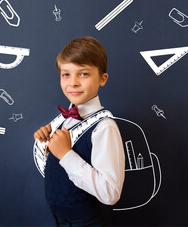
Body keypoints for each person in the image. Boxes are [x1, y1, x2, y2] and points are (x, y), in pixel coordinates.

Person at [33, 36, 125, 226]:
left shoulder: (104, 127)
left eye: (83, 74)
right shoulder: (62, 118)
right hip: (59, 218)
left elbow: (111, 193)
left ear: (102, 78)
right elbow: (54, 167)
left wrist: (65, 153)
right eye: (66, 74)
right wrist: (44, 142)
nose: (73, 82)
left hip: (87, 222)